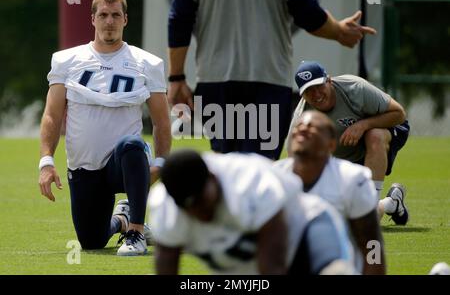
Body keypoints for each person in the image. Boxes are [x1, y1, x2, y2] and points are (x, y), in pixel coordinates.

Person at [167, 0, 376, 160]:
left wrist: (176, 77)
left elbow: (180, 17)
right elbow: (305, 11)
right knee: (260, 165)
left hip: (216, 80)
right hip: (268, 81)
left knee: (227, 164)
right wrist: (338, 31)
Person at [38, 0, 171, 256]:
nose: (109, 21)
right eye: (103, 15)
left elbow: (161, 121)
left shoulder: (147, 63)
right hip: (84, 167)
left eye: (115, 15)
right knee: (91, 241)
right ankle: (123, 219)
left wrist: (160, 162)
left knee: (132, 145)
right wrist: (46, 162)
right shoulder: (66, 60)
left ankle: (134, 232)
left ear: (125, 20)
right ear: (93, 19)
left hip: (123, 163)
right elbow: (52, 115)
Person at [148, 149, 357, 275]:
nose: (198, 213)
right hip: (245, 265)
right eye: (189, 208)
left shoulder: (251, 186)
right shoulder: (166, 207)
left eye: (202, 202)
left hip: (304, 228)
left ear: (213, 177)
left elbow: (272, 269)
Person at [288, 60, 410, 224]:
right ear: (302, 95)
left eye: (319, 86)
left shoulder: (355, 88)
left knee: (373, 135)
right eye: (309, 91)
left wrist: (363, 125)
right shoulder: (302, 119)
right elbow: (297, 163)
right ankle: (391, 203)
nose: (316, 94)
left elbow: (399, 113)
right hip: (347, 156)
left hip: (387, 128)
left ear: (328, 80)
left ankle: (371, 203)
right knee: (343, 214)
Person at [275, 111, 385, 274]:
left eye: (313, 127)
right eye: (299, 126)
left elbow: (371, 243)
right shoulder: (274, 177)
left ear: (331, 144)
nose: (303, 129)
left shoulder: (352, 178)